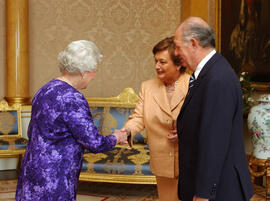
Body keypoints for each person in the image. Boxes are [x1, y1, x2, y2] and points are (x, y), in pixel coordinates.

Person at [15, 40, 128, 201]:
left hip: (33, 167)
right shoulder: (72, 98)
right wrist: (117, 137)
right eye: (94, 71)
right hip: (55, 174)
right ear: (84, 71)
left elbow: (33, 131)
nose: (94, 76)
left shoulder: (44, 90)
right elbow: (94, 142)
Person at [174, 17, 254, 201]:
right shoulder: (210, 72)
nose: (176, 53)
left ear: (193, 43)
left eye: (178, 46)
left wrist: (203, 194)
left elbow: (214, 141)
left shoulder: (217, 79)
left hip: (220, 190)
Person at [121, 36, 190, 201]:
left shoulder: (194, 85)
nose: (156, 66)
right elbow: (139, 117)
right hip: (162, 162)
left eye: (162, 62)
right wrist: (127, 130)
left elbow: (205, 121)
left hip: (190, 159)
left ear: (179, 63)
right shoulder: (148, 87)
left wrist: (186, 133)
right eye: (155, 61)